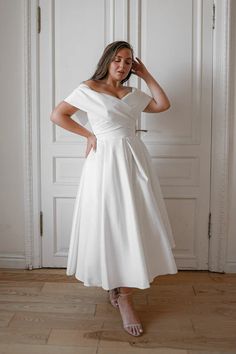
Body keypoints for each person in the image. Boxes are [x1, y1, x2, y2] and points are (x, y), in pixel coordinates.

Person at [51, 40, 178, 337]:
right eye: (118, 60)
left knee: (136, 222)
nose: (122, 66)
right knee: (109, 221)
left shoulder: (134, 94)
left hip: (134, 162)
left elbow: (163, 104)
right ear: (108, 60)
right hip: (104, 162)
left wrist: (146, 75)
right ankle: (116, 287)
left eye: (128, 61)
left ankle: (125, 295)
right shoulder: (88, 89)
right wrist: (89, 135)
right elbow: (58, 115)